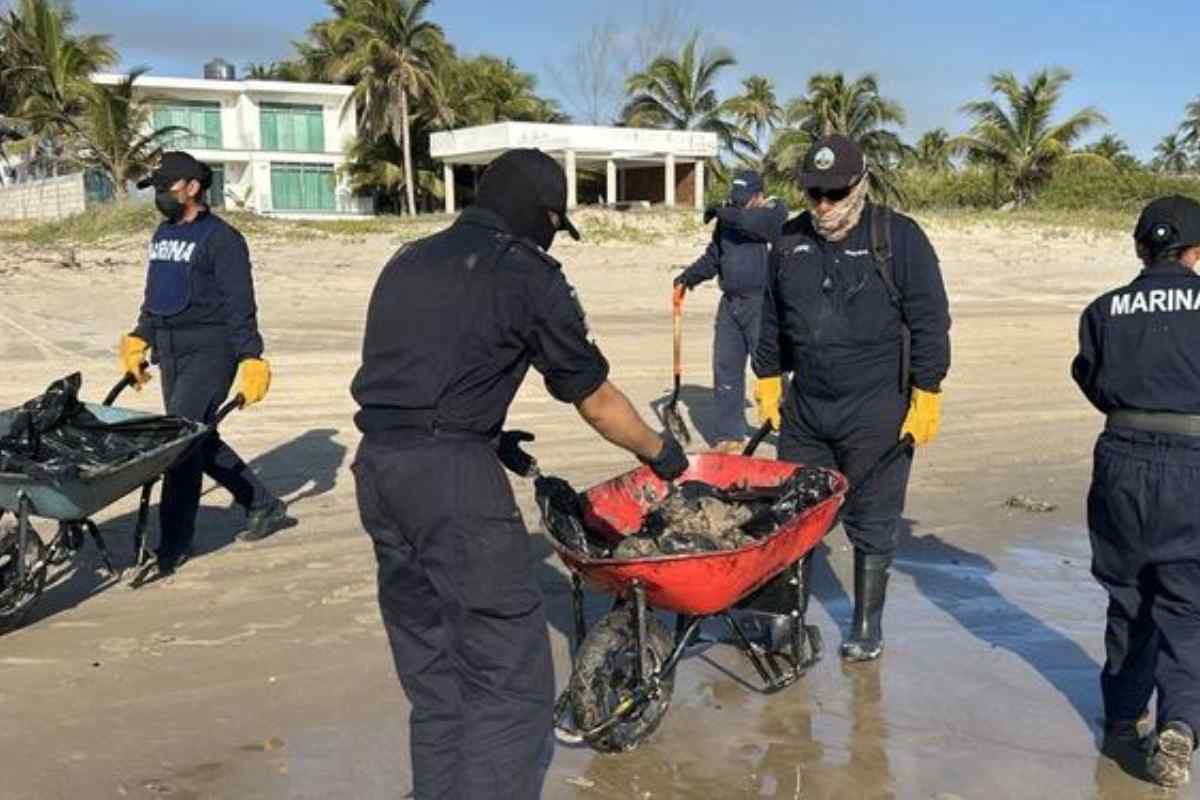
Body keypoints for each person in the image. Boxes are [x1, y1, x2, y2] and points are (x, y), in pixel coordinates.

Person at [350, 148, 689, 800]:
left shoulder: (406, 260)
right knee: (512, 683)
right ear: (542, 216)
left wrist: (482, 427)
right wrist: (662, 453)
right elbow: (594, 399)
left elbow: (420, 372)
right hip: (452, 484)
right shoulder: (527, 273)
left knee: (436, 676)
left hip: (380, 472)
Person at [751, 135, 951, 661]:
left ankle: (865, 626)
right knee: (795, 516)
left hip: (878, 407)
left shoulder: (899, 238)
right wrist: (768, 378)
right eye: (814, 193)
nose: (823, 205)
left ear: (860, 185)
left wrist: (927, 391)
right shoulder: (789, 241)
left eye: (835, 193)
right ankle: (786, 621)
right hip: (808, 408)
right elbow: (769, 318)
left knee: (873, 517)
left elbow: (931, 320)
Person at [1071, 195, 1200, 788]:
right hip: (1192, 463)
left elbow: (1092, 382)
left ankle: (1124, 718)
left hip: (1120, 458)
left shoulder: (1103, 310)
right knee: (1186, 603)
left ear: (1141, 249)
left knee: (1127, 595)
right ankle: (1180, 725)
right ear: (1195, 253)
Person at [120, 151, 289, 586]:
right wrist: (141, 336)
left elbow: (241, 305)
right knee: (197, 437)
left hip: (213, 349)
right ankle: (262, 503)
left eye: (166, 187)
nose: (160, 195)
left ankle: (174, 544)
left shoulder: (223, 239)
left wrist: (251, 356)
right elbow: (156, 292)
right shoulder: (163, 234)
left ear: (192, 187)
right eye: (156, 189)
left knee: (178, 442)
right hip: (172, 350)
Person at [673, 171, 788, 452]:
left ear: (759, 196)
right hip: (730, 304)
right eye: (735, 202)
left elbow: (753, 222)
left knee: (768, 368)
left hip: (762, 304)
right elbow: (714, 257)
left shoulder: (773, 212)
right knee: (725, 367)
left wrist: (722, 212)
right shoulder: (729, 220)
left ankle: (790, 429)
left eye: (744, 201)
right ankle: (730, 435)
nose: (739, 207)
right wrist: (687, 278)